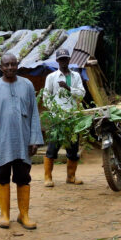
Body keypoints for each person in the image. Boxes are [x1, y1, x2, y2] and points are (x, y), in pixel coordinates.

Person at [0, 53, 44, 229]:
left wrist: (34, 139)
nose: (10, 68)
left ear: (18, 65)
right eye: (6, 65)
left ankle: (23, 214)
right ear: (0, 67)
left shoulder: (27, 86)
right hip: (2, 143)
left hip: (23, 142)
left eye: (13, 64)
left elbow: (34, 114)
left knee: (23, 177)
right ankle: (4, 215)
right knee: (2, 177)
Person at [42, 48, 86, 187]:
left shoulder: (76, 77)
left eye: (65, 59)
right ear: (57, 61)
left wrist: (68, 88)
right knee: (52, 148)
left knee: (73, 149)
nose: (63, 61)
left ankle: (71, 177)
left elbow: (81, 94)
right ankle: (48, 177)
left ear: (69, 60)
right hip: (58, 118)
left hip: (72, 118)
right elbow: (46, 98)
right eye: (60, 59)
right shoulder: (51, 77)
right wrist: (55, 112)